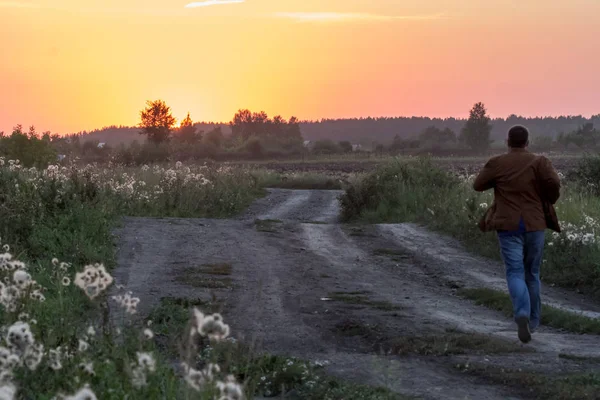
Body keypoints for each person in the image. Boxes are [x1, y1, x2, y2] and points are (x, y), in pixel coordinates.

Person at [473, 125, 561, 343]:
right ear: (527, 142)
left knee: (514, 271)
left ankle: (521, 312)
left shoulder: (497, 163)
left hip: (508, 225)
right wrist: (547, 197)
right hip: (535, 224)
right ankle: (533, 321)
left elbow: (478, 185)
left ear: (508, 142)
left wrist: (498, 180)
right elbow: (554, 183)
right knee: (532, 273)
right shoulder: (540, 162)